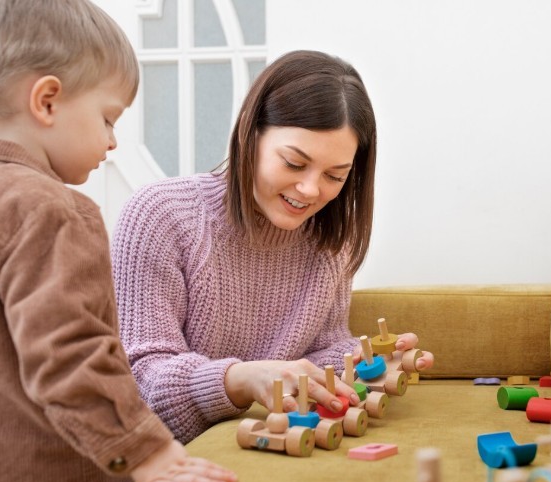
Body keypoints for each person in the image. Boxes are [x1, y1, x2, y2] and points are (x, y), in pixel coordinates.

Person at [0, 0, 237, 482]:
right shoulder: (52, 209)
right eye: (108, 118)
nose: (112, 143)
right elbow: (71, 353)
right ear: (47, 101)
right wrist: (147, 450)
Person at [111, 50, 434, 445]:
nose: (311, 190)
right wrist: (239, 379)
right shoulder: (161, 215)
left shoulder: (331, 241)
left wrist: (365, 361)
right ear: (251, 134)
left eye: (335, 176)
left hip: (274, 445)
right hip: (165, 462)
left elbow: (316, 355)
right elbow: (139, 382)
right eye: (294, 164)